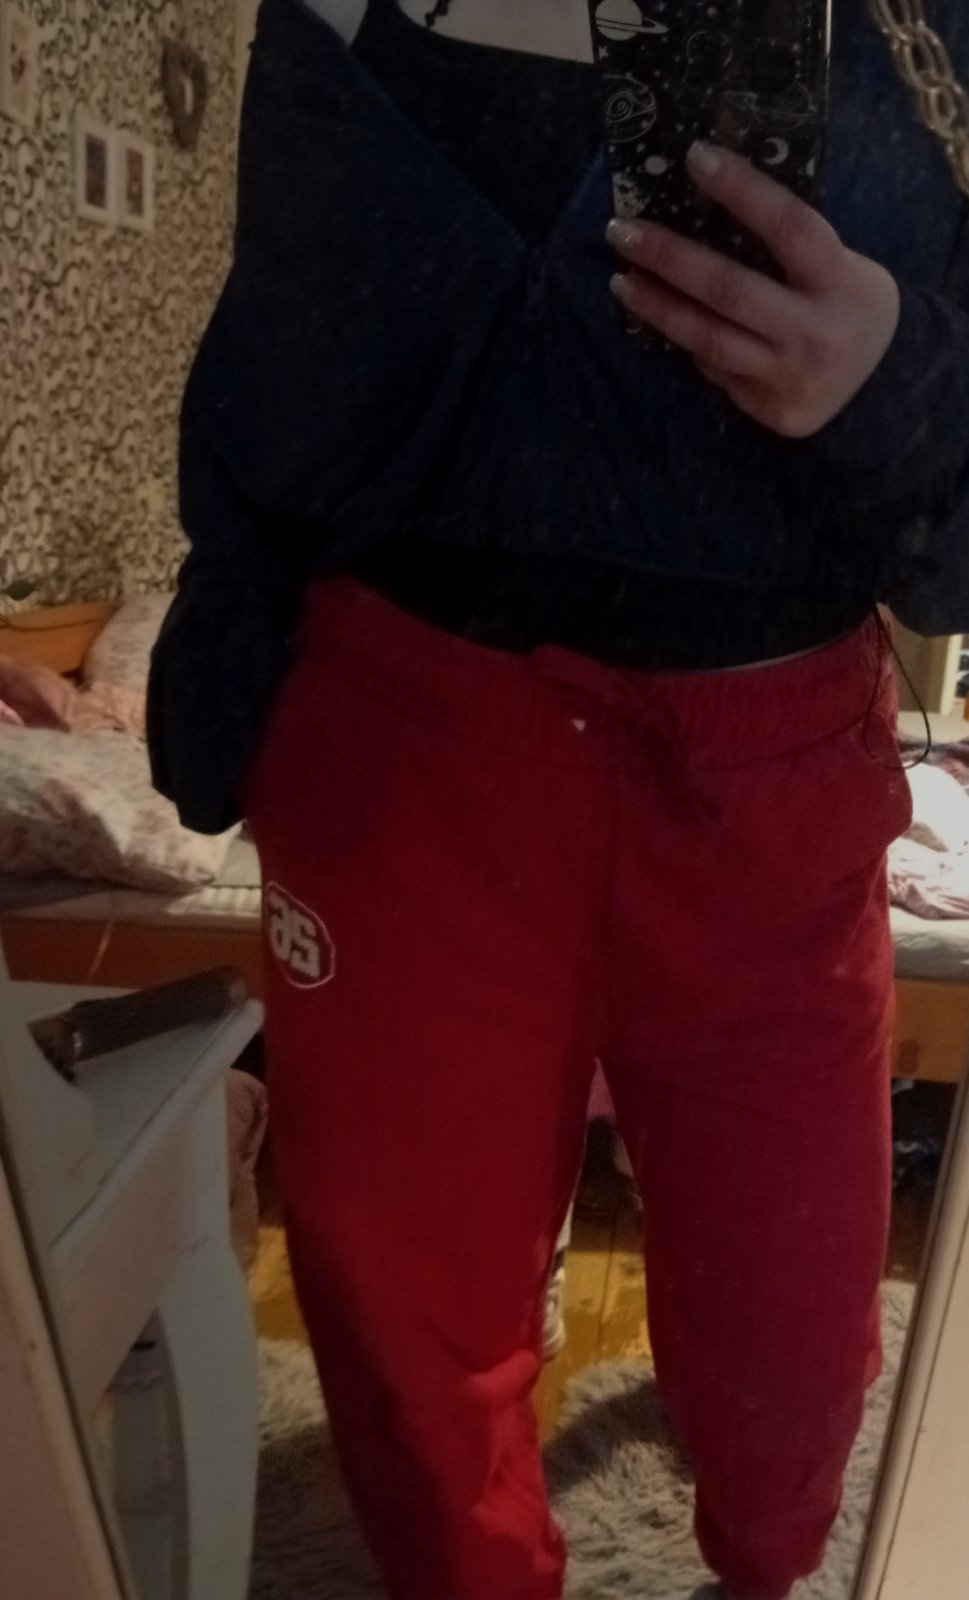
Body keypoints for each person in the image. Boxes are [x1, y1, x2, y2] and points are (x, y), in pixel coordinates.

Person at [147, 2, 969, 1597]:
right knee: (408, 1356)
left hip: (768, 768)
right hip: (399, 743)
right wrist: (230, 686)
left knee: (793, 1355)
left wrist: (895, 377)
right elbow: (273, 355)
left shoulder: (926, 35)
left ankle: (764, 1570)